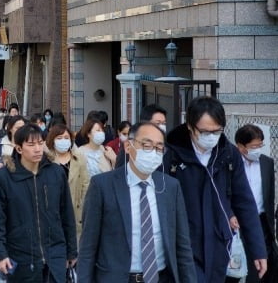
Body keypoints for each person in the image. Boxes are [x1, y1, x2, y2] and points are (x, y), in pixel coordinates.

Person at [164, 96, 267, 282]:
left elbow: (244, 201)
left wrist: (258, 250)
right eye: (204, 132)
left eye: (216, 131)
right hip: (184, 243)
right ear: (190, 126)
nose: (211, 137)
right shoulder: (171, 154)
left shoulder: (228, 154)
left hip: (218, 242)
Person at [78, 121, 196, 283]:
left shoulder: (170, 186)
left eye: (159, 148)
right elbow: (88, 248)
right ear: (128, 147)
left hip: (160, 277)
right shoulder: (102, 185)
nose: (153, 153)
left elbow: (183, 247)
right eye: (147, 146)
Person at [0, 124, 78, 281]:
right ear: (19, 148)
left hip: (55, 257)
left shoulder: (56, 173)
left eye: (40, 143)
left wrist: (71, 251)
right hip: (21, 258)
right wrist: (0, 254)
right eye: (31, 144)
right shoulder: (5, 177)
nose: (37, 149)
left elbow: (67, 215)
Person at [230, 124, 277, 283]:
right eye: (253, 146)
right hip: (238, 222)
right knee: (240, 263)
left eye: (260, 145)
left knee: (264, 265)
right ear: (240, 146)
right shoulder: (231, 164)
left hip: (262, 221)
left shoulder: (267, 163)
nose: (257, 149)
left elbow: (269, 195)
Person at [70, 117, 116, 240]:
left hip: (107, 200)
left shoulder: (107, 151)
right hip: (87, 200)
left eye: (102, 130)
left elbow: (116, 176)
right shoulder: (79, 152)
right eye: (97, 130)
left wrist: (114, 159)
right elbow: (75, 181)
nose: (101, 133)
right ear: (89, 134)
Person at [116, 104, 167, 168]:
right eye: (158, 123)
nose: (161, 127)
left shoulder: (168, 149)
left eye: (164, 123)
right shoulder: (131, 146)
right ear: (145, 123)